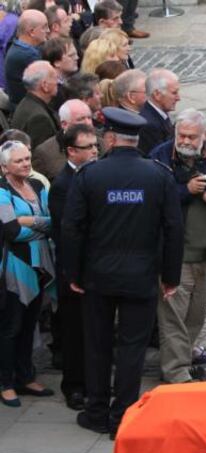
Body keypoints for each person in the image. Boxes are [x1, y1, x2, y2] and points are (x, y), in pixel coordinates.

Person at [63, 107, 183, 439]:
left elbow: (72, 228)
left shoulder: (90, 175)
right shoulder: (157, 175)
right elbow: (174, 229)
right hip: (141, 276)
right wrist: (170, 276)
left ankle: (97, 409)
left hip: (98, 276)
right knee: (132, 347)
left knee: (98, 344)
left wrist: (72, 272)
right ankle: (124, 416)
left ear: (111, 138)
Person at [150, 109, 206, 384]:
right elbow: (153, 201)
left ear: (205, 136)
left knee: (196, 314)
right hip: (176, 255)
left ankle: (182, 361)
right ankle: (176, 372)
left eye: (192, 136)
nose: (186, 141)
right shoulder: (160, 156)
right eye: (182, 135)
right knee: (173, 318)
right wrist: (185, 191)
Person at [0, 140, 56, 408]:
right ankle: (6, 382)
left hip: (39, 264)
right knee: (11, 325)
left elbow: (54, 220)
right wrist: (40, 225)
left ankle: (25, 376)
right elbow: (10, 232)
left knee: (29, 322)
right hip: (14, 267)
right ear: (4, 167)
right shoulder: (1, 191)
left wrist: (27, 221)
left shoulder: (36, 186)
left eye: (27, 158)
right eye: (19, 161)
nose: (25, 163)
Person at [46, 122, 97, 411]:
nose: (93, 151)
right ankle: (74, 385)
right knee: (74, 332)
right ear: (71, 151)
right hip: (73, 270)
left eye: (94, 146)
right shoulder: (63, 185)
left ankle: (93, 380)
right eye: (87, 147)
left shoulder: (93, 176)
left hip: (94, 269)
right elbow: (67, 232)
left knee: (94, 330)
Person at [11, 61, 60, 154]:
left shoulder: (26, 103)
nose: (57, 81)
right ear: (45, 85)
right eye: (55, 77)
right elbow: (43, 157)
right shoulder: (39, 119)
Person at [3, 9, 47, 108]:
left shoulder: (17, 47)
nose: (48, 30)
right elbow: (45, 87)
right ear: (32, 32)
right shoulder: (27, 55)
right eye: (44, 27)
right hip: (30, 111)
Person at [138, 69, 179, 156]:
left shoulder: (159, 112)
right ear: (157, 94)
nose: (178, 98)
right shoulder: (149, 125)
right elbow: (161, 156)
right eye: (174, 93)